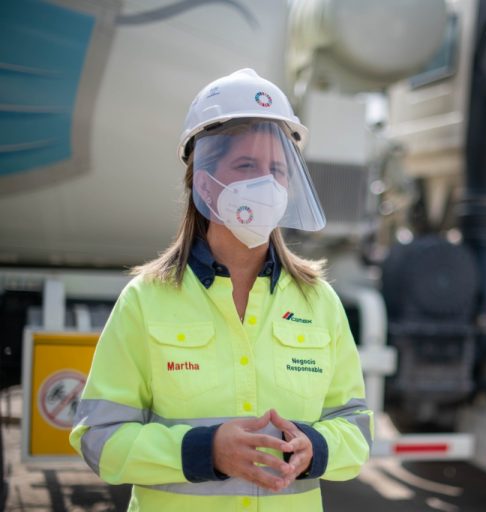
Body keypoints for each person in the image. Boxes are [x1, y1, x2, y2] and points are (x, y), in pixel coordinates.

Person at [70, 68, 373, 511]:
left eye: (277, 169)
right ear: (203, 178)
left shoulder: (319, 302)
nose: (266, 184)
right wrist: (204, 451)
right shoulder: (146, 299)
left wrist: (316, 448)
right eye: (246, 166)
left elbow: (356, 430)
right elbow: (99, 440)